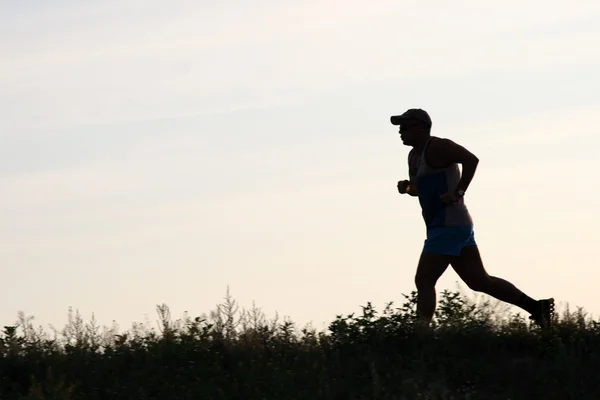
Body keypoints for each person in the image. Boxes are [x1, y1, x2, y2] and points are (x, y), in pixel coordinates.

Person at [391, 108, 554, 329]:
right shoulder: (413, 156)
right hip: (447, 226)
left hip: (448, 225)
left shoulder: (439, 146)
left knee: (424, 280)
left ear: (421, 128)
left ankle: (420, 336)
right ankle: (537, 308)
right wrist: (408, 188)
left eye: (405, 127)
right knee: (479, 281)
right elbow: (420, 189)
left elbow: (471, 159)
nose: (400, 131)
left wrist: (458, 192)